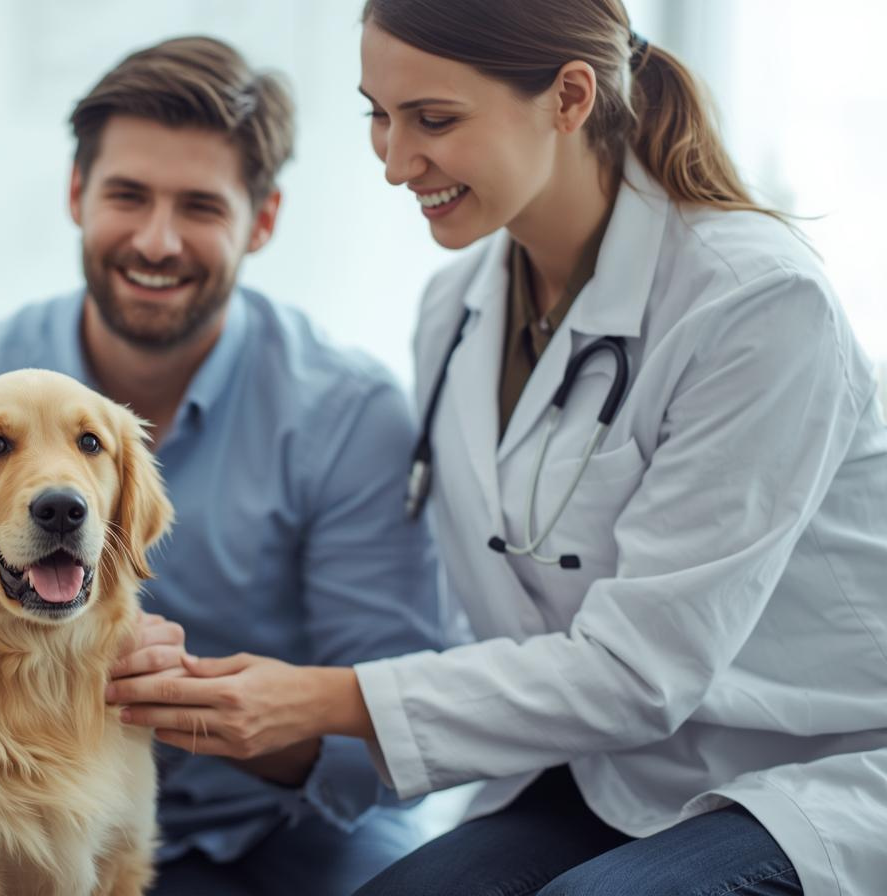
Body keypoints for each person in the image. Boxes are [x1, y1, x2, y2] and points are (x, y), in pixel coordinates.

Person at [103, 3, 887, 894]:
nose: (396, 163)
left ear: (569, 97)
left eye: (434, 120)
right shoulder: (458, 310)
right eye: (379, 115)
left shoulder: (756, 302)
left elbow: (639, 671)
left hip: (814, 762)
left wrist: (319, 699)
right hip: (619, 767)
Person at [0, 36, 452, 895]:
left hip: (291, 828)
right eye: (127, 196)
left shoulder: (348, 416)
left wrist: (230, 717)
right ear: (77, 195)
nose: (157, 241)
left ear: (261, 221)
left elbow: (399, 732)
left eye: (200, 206)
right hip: (28, 815)